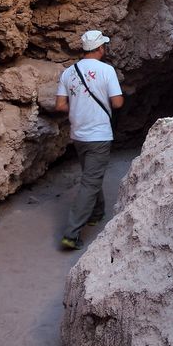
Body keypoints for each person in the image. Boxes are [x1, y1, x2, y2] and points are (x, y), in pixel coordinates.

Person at [55, 30, 124, 250]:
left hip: (78, 135)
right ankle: (71, 233)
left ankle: (97, 212)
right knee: (89, 182)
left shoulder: (68, 72)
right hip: (98, 135)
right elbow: (118, 103)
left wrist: (79, 107)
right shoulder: (106, 70)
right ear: (101, 48)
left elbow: (60, 105)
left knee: (91, 176)